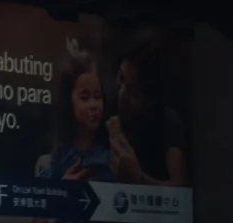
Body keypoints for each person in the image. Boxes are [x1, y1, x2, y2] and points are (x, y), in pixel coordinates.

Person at [110, 42, 189, 187]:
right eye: (121, 79)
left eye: (133, 92)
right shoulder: (105, 110)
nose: (122, 95)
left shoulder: (167, 121)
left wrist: (138, 178)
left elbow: (179, 189)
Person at [36, 48, 113, 181]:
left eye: (97, 96)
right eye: (84, 98)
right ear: (68, 102)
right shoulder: (57, 158)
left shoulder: (112, 154)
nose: (93, 105)